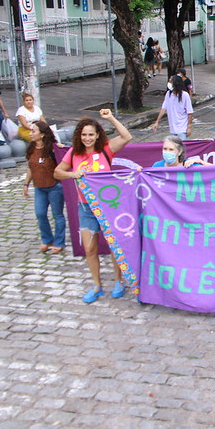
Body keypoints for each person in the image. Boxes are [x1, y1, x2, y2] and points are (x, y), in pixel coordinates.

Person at [54, 109, 133, 303]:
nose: (87, 138)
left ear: (97, 135)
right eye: (84, 135)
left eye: (91, 134)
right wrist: (72, 174)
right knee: (90, 248)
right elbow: (57, 172)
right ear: (78, 136)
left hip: (108, 207)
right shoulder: (73, 153)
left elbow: (126, 136)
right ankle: (97, 286)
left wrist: (110, 118)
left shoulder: (106, 149)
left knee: (114, 246)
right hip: (85, 207)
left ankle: (118, 281)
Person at [23, 121, 66, 255]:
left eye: (33, 131)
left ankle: (59, 242)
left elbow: (65, 162)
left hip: (54, 187)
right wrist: (26, 184)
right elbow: (31, 168)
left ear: (42, 134)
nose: (30, 134)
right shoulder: (31, 149)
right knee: (40, 214)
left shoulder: (52, 149)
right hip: (39, 187)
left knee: (57, 215)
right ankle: (47, 239)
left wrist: (61, 148)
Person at [151, 75, 194, 140]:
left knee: (182, 147)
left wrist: (189, 127)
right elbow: (163, 108)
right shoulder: (168, 94)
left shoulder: (185, 95)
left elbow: (190, 112)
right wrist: (157, 121)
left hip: (182, 128)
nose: (169, 83)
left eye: (170, 82)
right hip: (173, 128)